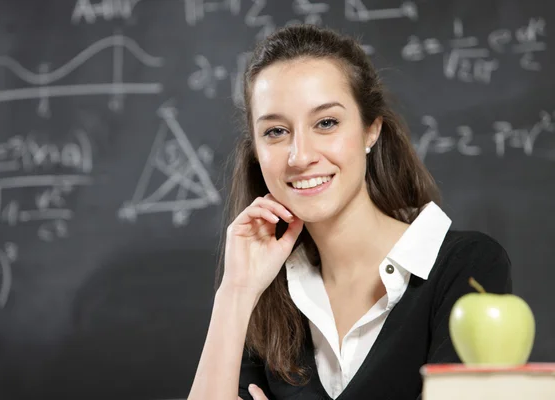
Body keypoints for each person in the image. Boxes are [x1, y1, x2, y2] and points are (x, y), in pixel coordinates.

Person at [187, 24, 512, 400]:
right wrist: (236, 291)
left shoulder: (468, 267)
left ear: (371, 130)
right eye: (275, 131)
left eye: (326, 123)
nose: (301, 156)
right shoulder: (263, 292)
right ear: (256, 151)